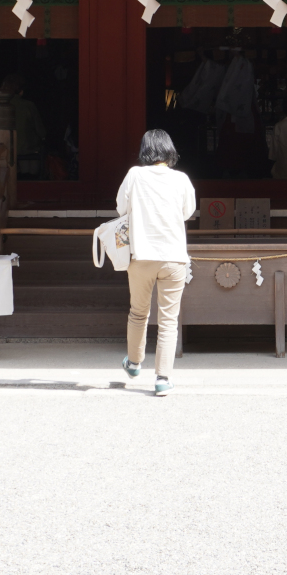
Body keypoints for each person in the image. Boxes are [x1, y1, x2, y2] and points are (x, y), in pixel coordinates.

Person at [116, 129, 197, 397]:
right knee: (168, 320)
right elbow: (188, 212)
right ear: (169, 150)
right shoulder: (182, 179)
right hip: (174, 256)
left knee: (138, 313)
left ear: (145, 150)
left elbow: (121, 208)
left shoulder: (135, 175)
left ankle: (135, 363)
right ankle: (163, 378)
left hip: (141, 256)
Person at [1, 74, 47, 178]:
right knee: (31, 174)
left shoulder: (0, 107)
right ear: (21, 90)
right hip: (28, 149)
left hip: (7, 151)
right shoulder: (28, 105)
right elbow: (41, 131)